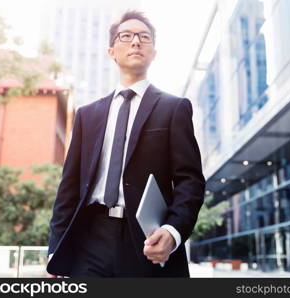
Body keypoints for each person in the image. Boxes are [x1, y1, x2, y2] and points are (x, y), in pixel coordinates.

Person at [46, 10, 205, 277]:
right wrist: (56, 249)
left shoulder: (174, 108)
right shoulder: (88, 115)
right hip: (89, 239)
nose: (135, 42)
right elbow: (69, 188)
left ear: (154, 52)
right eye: (126, 36)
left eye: (144, 37)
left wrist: (172, 230)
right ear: (112, 51)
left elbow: (190, 180)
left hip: (146, 241)